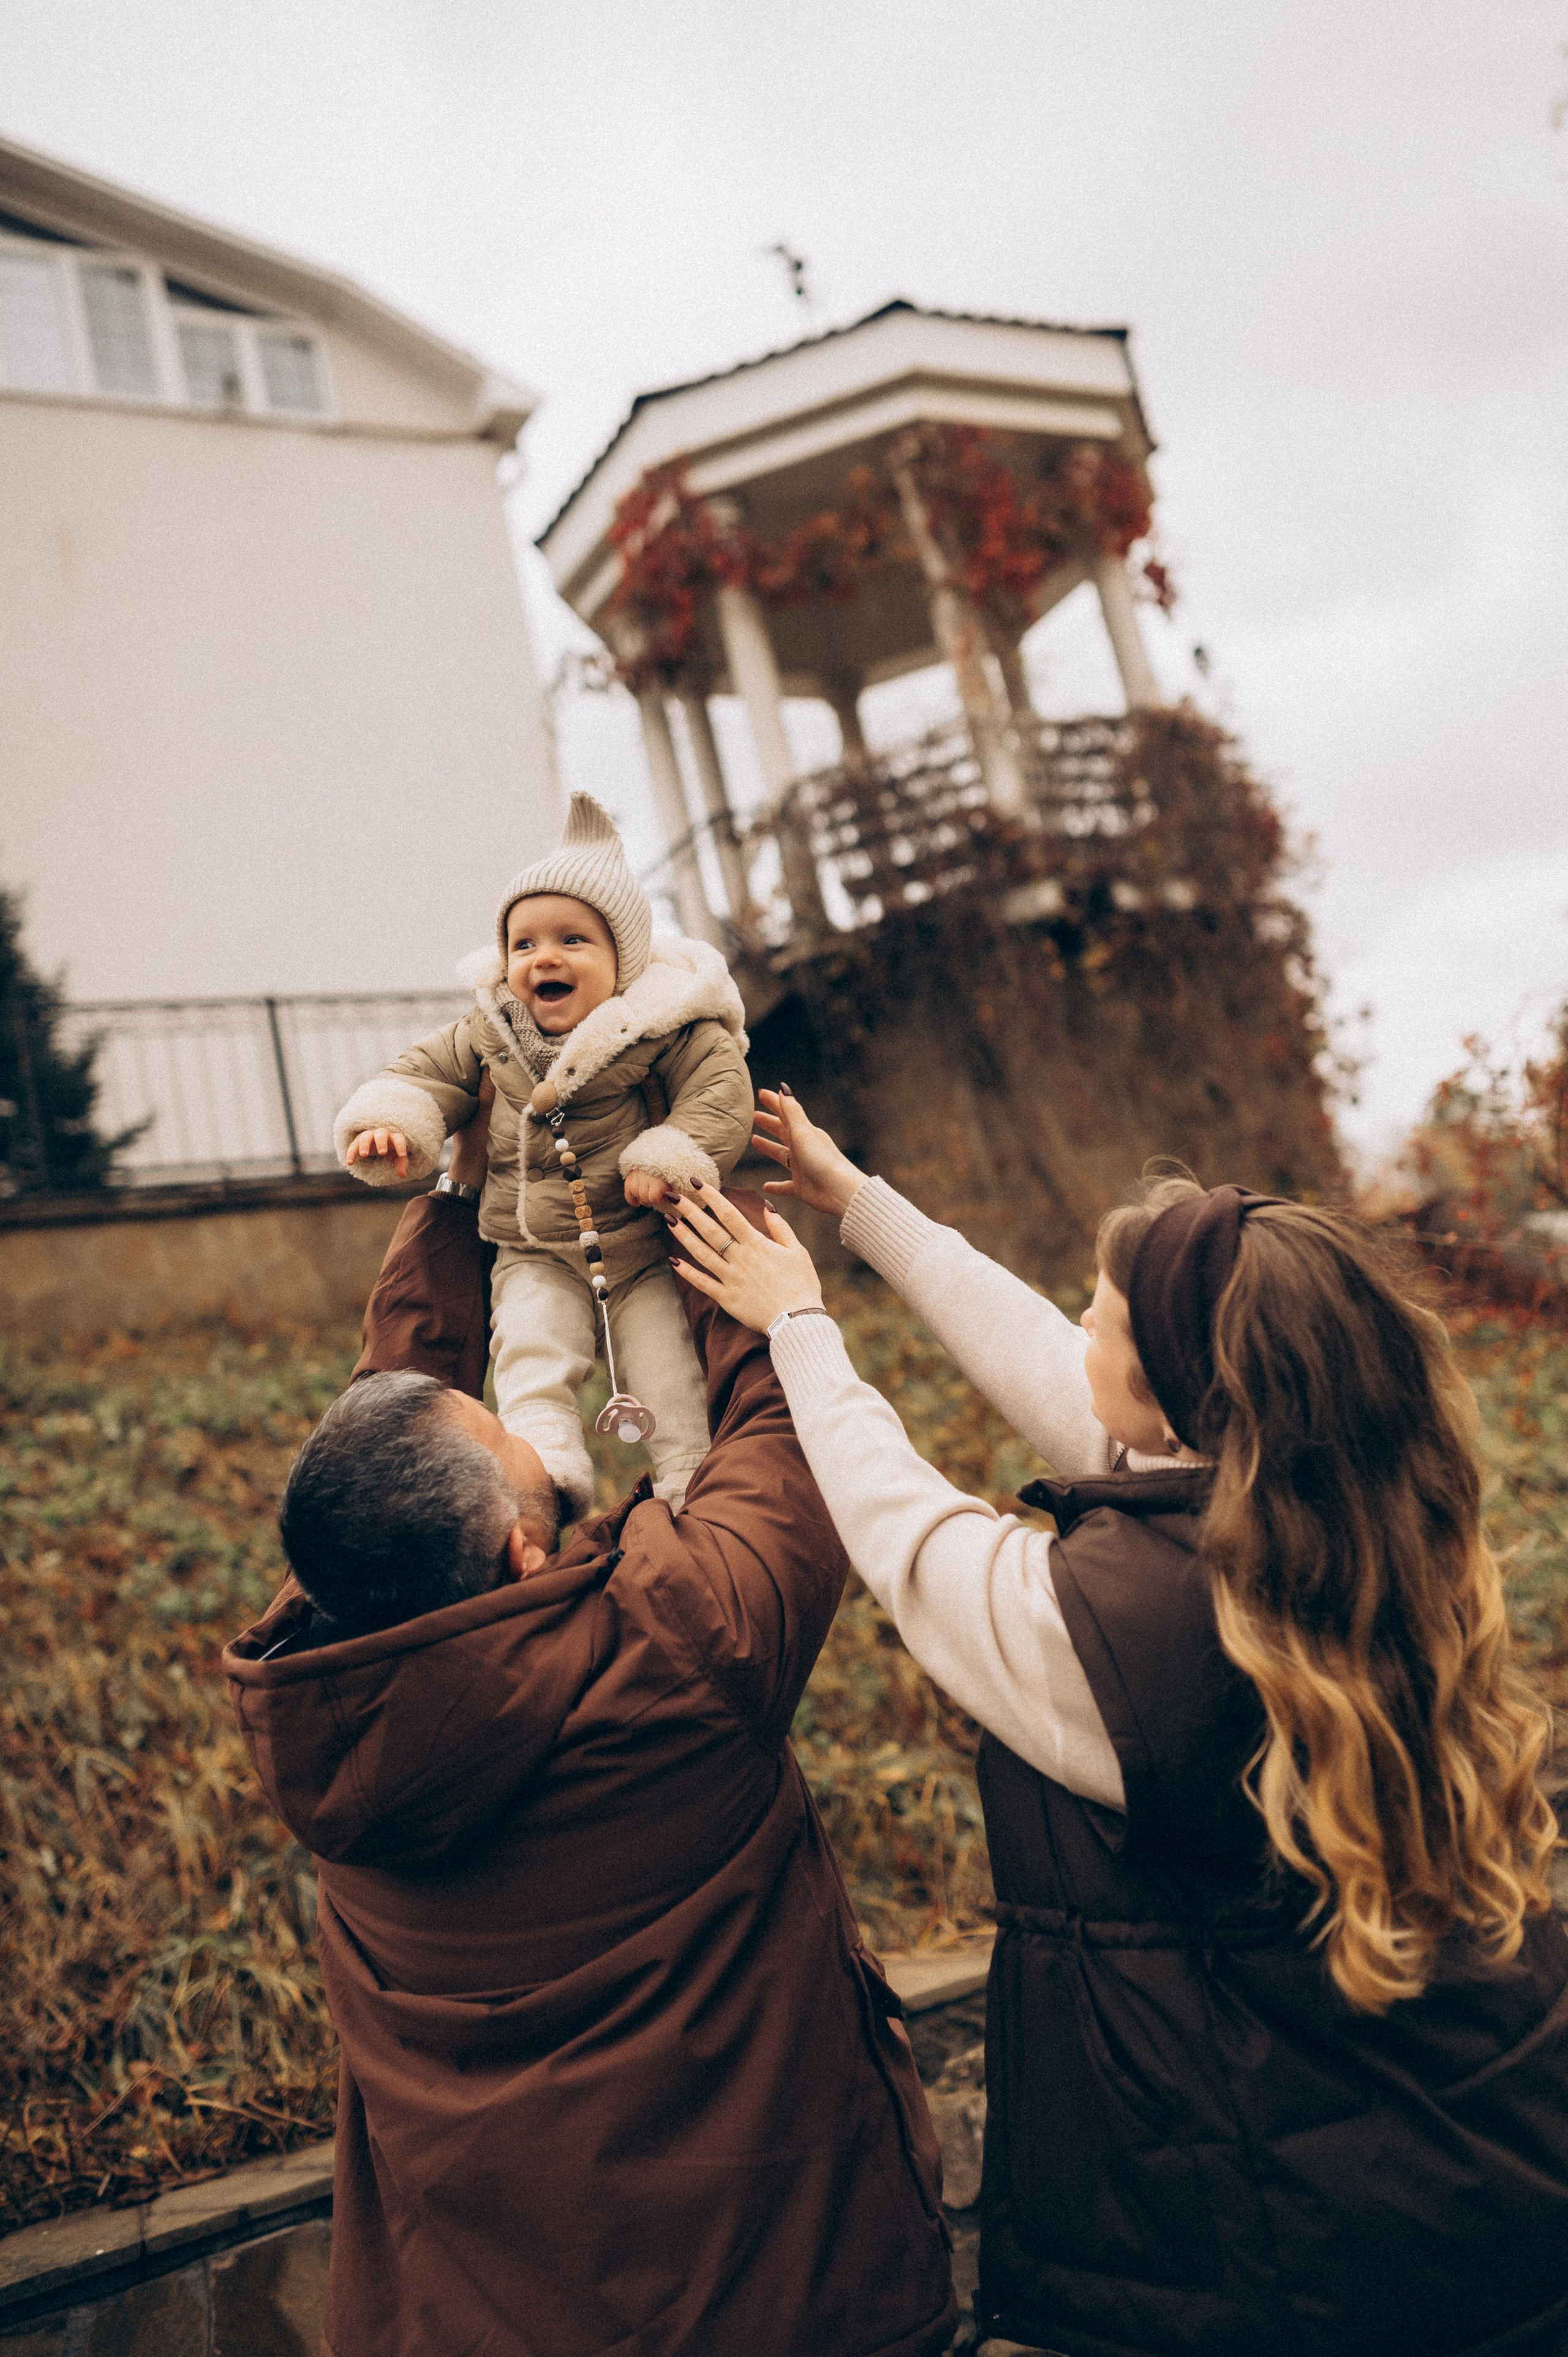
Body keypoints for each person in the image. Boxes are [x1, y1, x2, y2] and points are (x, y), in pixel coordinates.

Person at [666, 1092, 1568, 2357]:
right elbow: (1061, 1369)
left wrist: (801, 1327)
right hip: (1476, 2186)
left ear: (1169, 1391)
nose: (1073, 1319)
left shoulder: (1133, 1642)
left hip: (1301, 2265)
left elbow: (907, 1539)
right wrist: (855, 1201)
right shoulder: (1349, 1513)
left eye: (1100, 1310)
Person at [223, 1087, 957, 2357]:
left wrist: (466, 1198)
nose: (527, 1423)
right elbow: (780, 1435)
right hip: (783, 2304)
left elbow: (388, 1420)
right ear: (521, 1549)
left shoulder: (316, 1698)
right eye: (516, 1440)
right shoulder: (681, 1640)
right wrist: (705, 1208)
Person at [333, 790, 752, 1515]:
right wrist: (396, 1121)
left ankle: (690, 1479)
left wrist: (670, 1154)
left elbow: (720, 1089)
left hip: (636, 1244)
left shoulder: (660, 1028)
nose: (542, 958)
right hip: (528, 1245)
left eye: (571, 941)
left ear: (621, 960)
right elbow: (425, 1072)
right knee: (529, 1353)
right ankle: (547, 1469)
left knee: (664, 1369)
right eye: (523, 944)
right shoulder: (489, 1030)